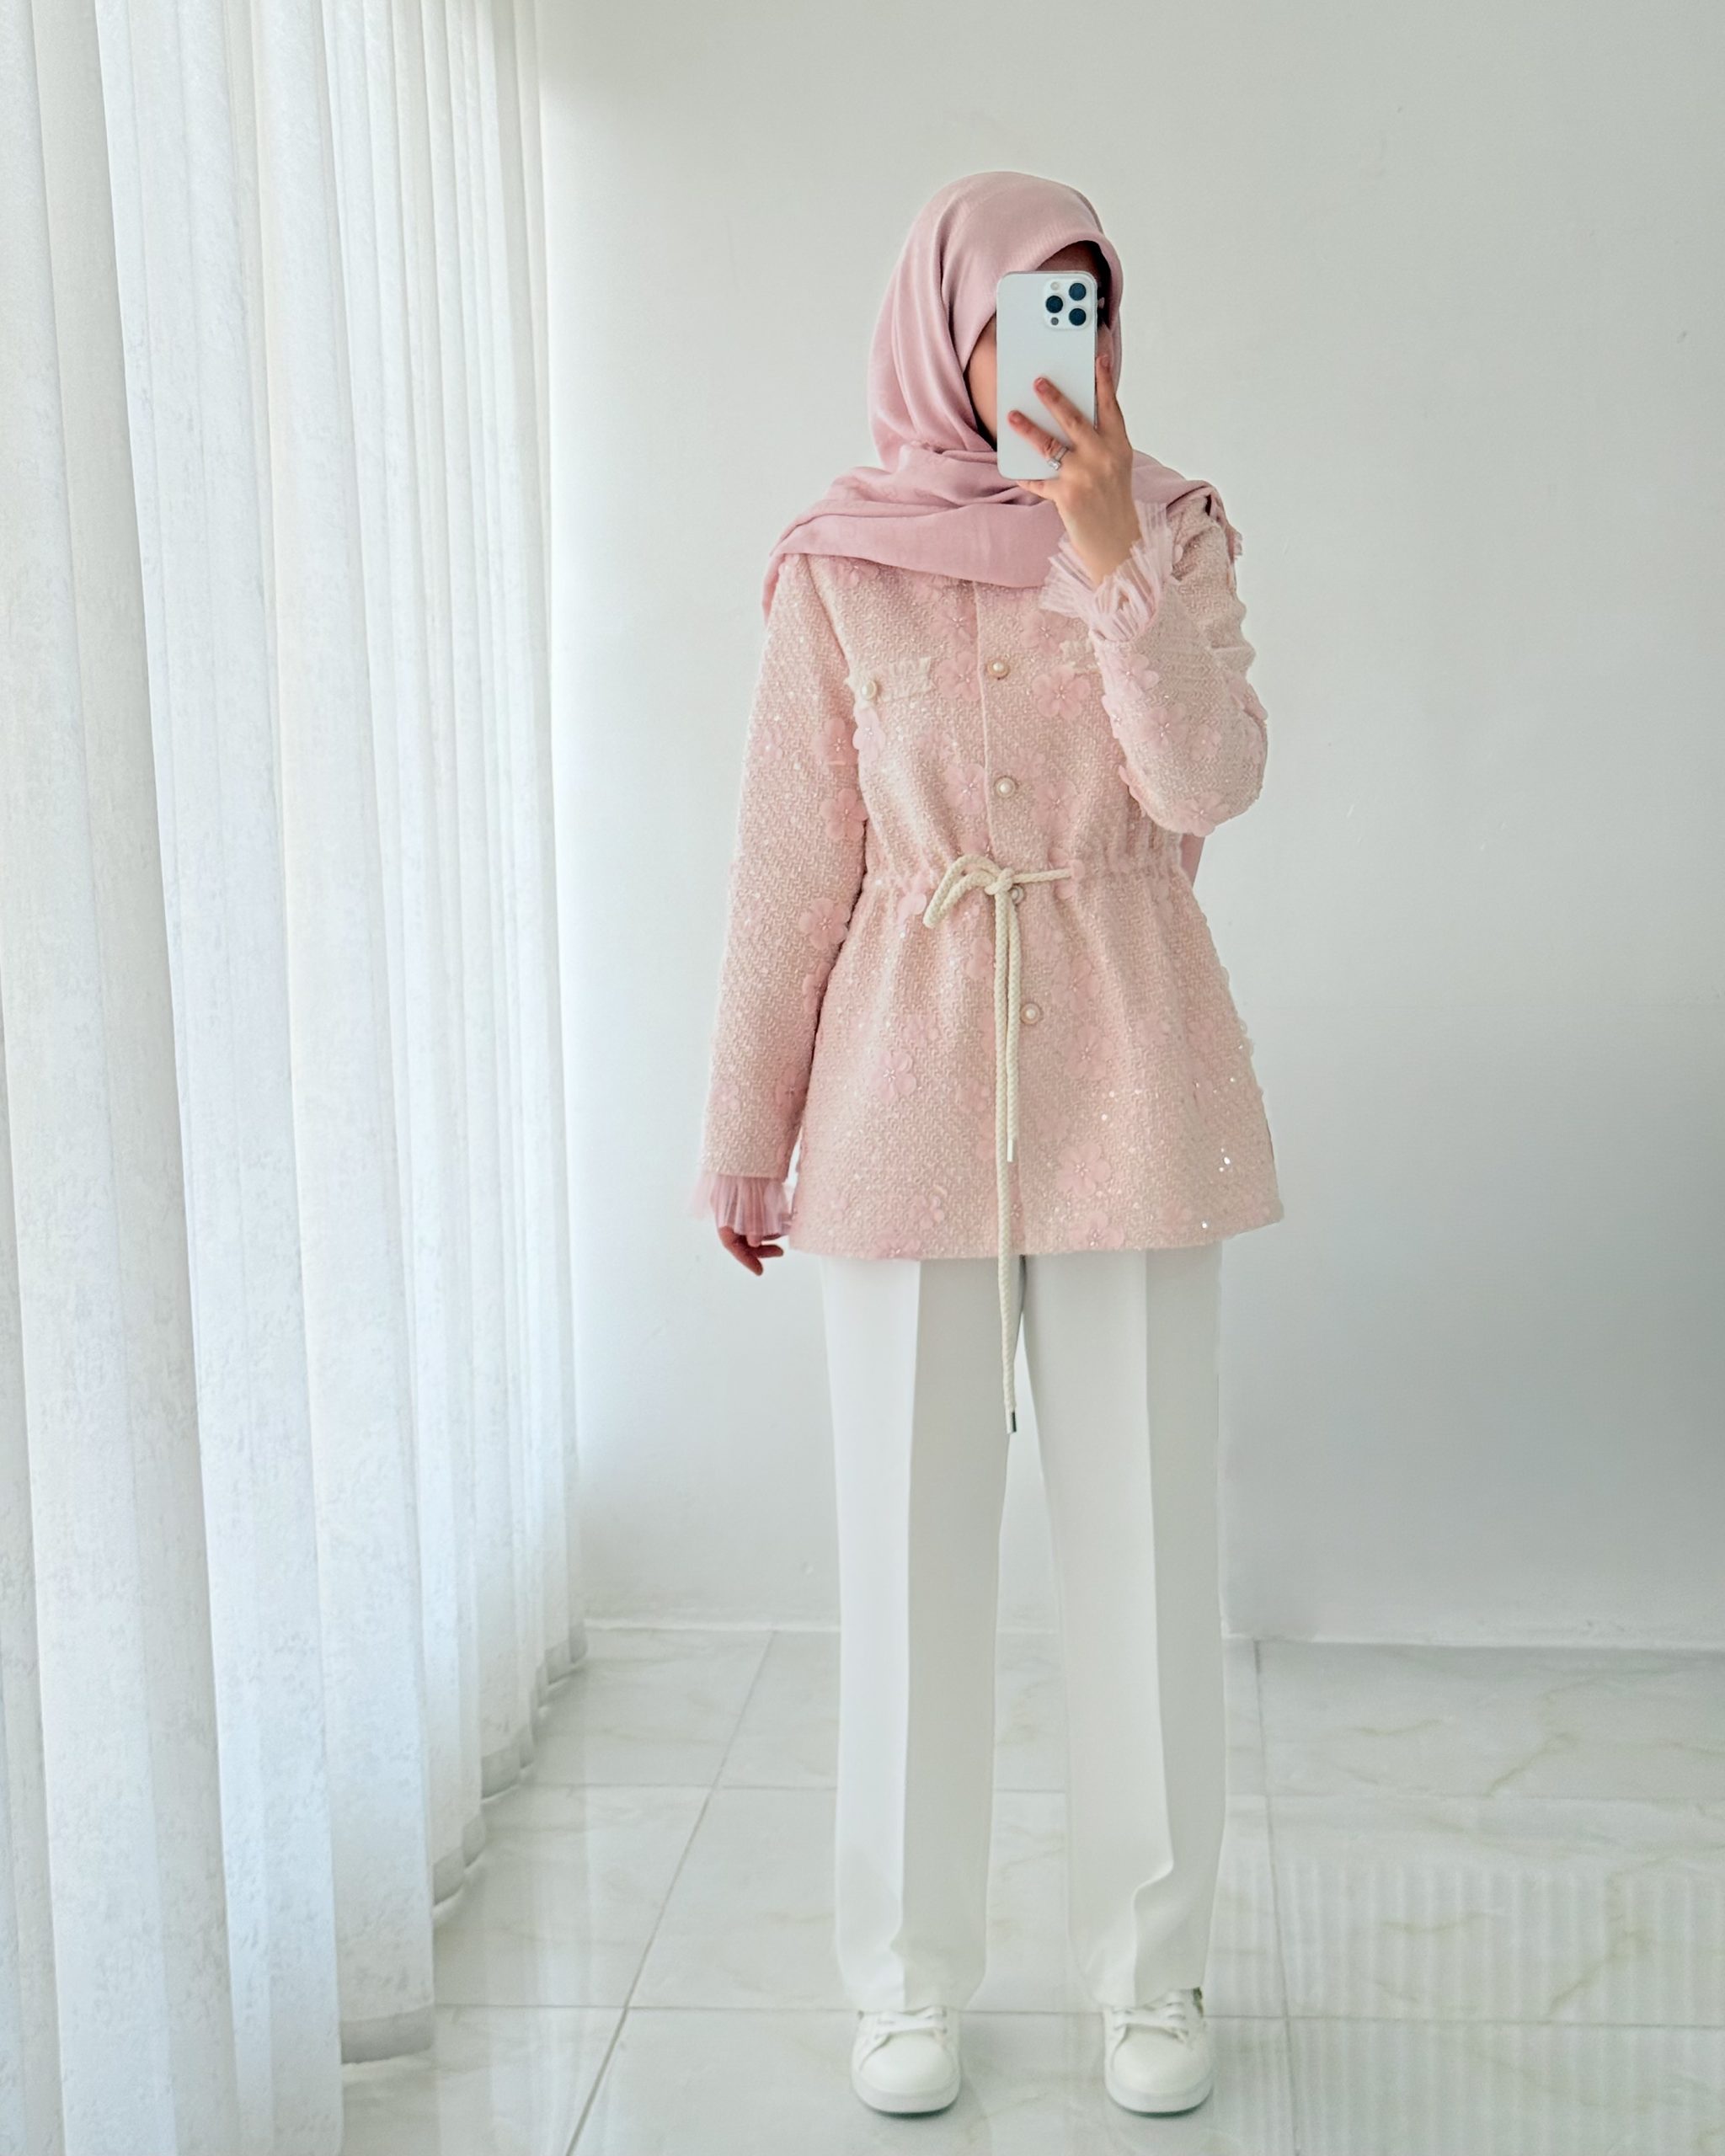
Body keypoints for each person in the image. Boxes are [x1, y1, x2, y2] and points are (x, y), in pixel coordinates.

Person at [689, 169, 1283, 2118]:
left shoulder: (1171, 528)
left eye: (1085, 312)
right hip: (899, 1091)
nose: (1063, 354)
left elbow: (1207, 782)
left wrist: (1109, 566)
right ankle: (905, 1978)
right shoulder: (834, 566)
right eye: (1027, 314)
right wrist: (744, 1129)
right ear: (940, 336)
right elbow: (789, 869)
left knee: (1142, 1548)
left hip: (1133, 1081)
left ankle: (1150, 1972)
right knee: (906, 1565)